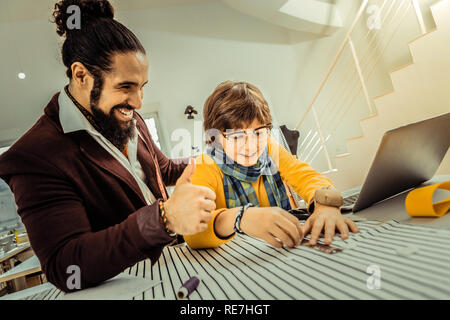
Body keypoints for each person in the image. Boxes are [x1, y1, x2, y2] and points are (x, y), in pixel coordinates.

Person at [0, 0, 216, 292]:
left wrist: (213, 160)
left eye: (142, 87)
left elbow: (160, 168)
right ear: (81, 76)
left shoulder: (130, 119)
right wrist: (164, 219)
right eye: (126, 87)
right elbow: (66, 266)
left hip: (174, 268)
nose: (138, 102)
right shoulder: (34, 155)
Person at [184, 81, 359, 249]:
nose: (251, 145)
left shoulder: (269, 147)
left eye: (259, 132)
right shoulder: (203, 167)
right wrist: (240, 218)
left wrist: (324, 203)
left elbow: (304, 174)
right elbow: (192, 231)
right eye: (237, 136)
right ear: (215, 137)